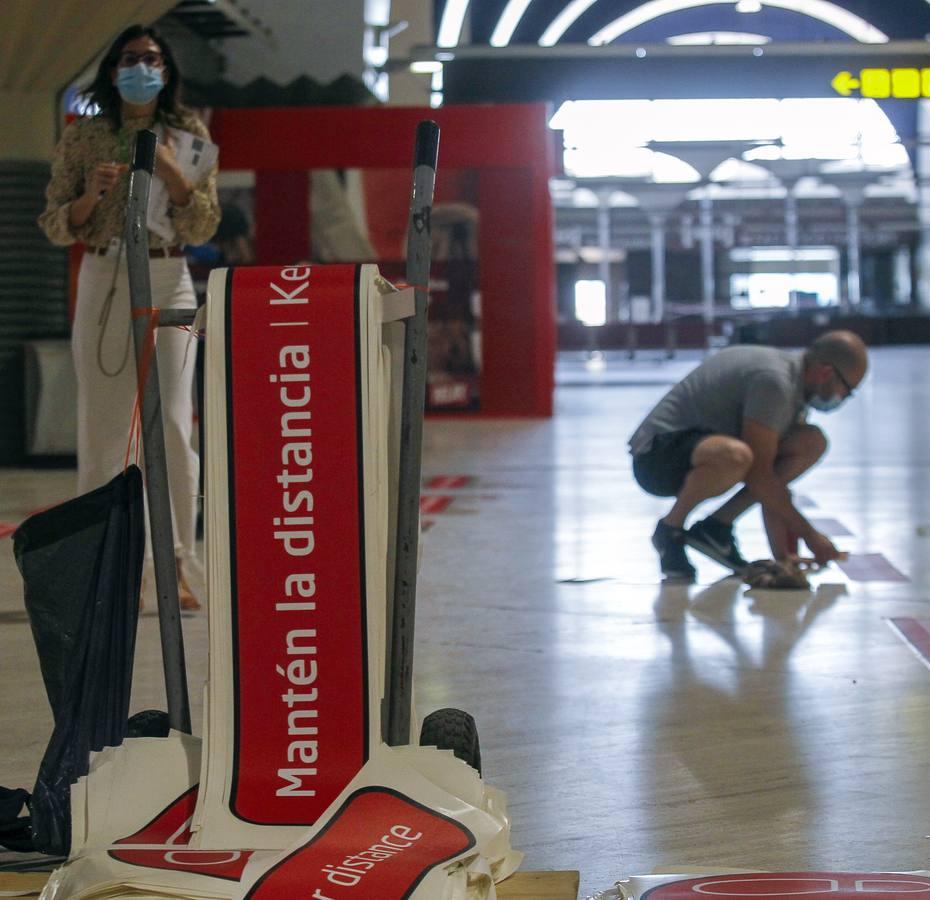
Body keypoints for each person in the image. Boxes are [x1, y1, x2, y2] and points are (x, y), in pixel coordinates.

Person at [38, 24, 220, 609]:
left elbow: (205, 224)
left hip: (169, 272)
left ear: (166, 71)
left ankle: (177, 563)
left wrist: (172, 173)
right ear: (113, 69)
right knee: (105, 425)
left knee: (173, 423)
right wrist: (89, 196)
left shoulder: (187, 132)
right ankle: (109, 564)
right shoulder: (85, 136)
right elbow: (55, 223)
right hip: (105, 274)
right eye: (130, 58)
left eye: (153, 58)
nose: (142, 67)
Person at [628, 331, 868, 582]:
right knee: (736, 457)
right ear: (826, 373)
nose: (842, 398)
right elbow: (760, 477)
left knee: (810, 442)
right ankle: (670, 530)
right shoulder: (775, 383)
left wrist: (784, 559)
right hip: (656, 456)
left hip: (699, 445)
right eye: (847, 390)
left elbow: (772, 481)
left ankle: (716, 529)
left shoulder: (794, 388)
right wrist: (811, 536)